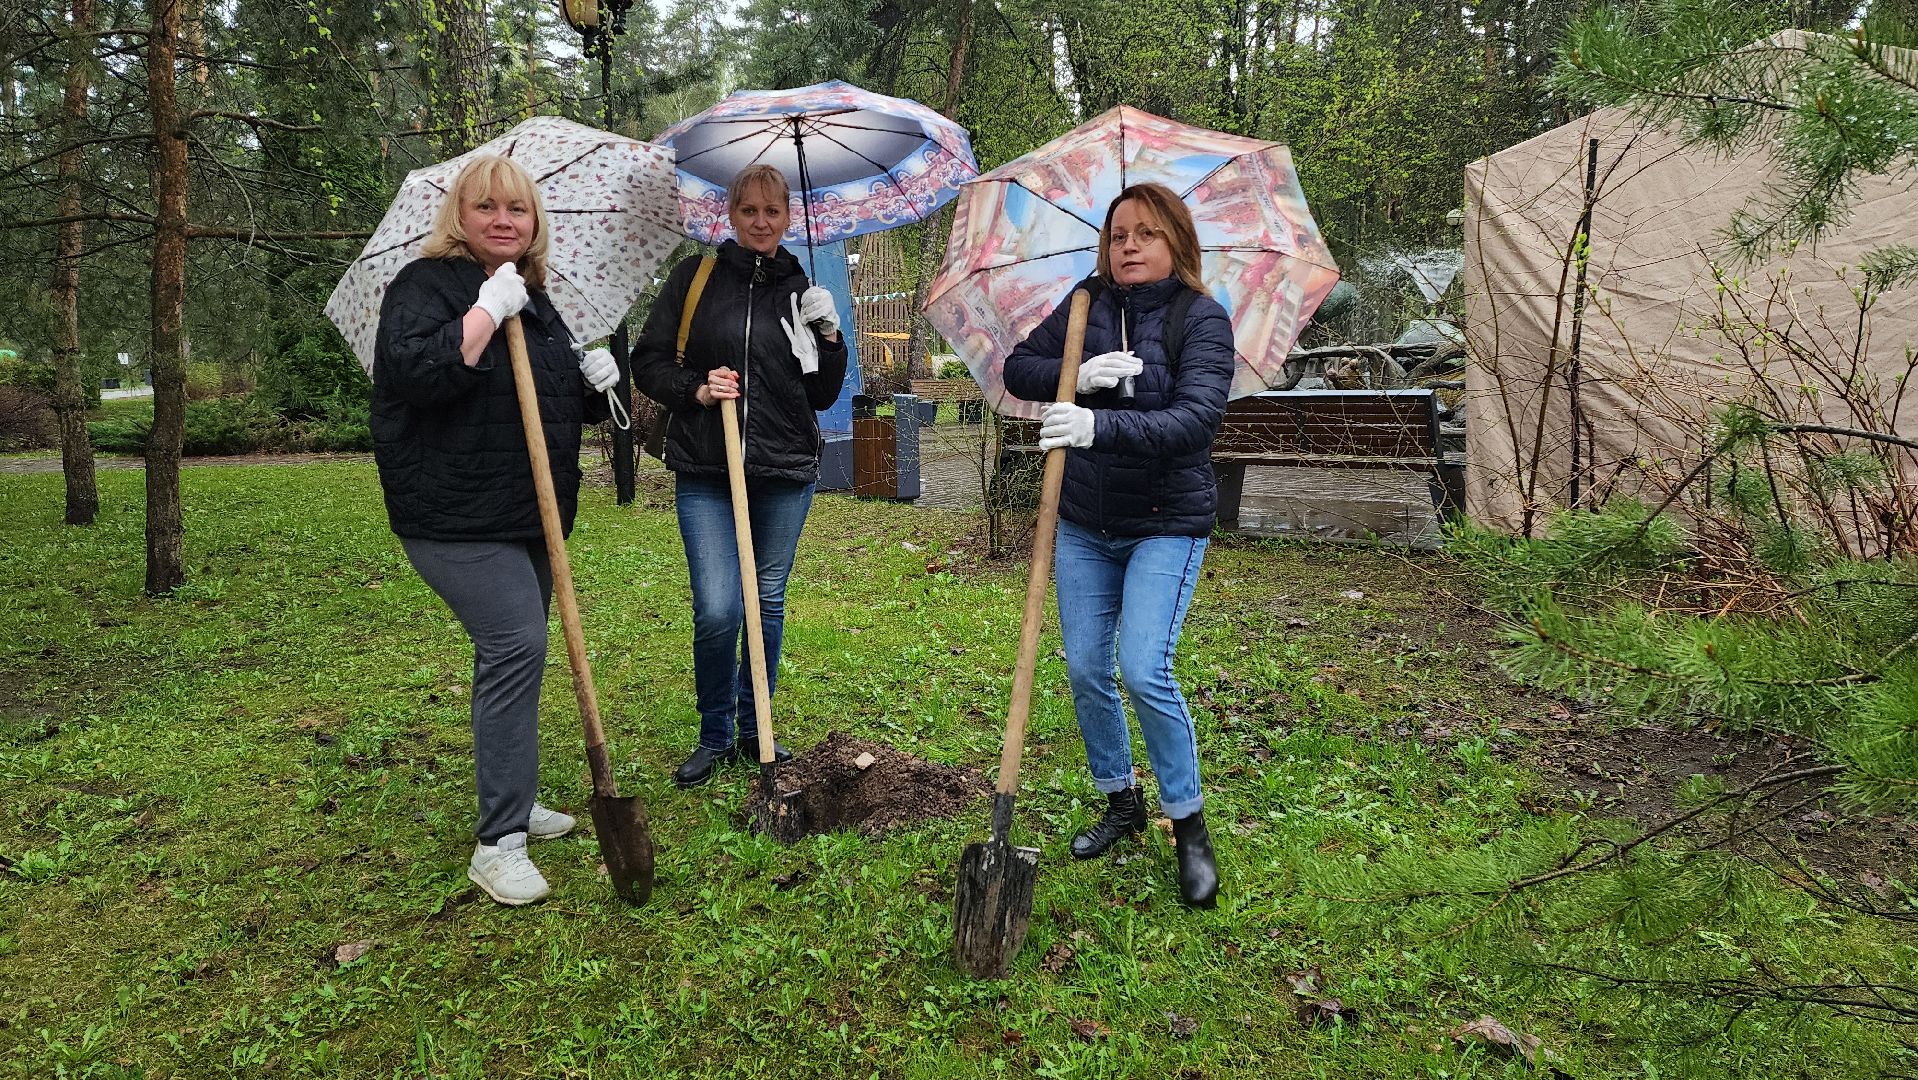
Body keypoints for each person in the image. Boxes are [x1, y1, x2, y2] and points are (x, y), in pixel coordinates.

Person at [371, 155, 622, 906]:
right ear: (460, 216)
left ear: (534, 220)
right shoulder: (426, 286)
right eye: (486, 208)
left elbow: (541, 407)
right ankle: (497, 843)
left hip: (522, 512)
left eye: (516, 209)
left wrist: (593, 382)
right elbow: (416, 374)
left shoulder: (538, 300)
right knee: (516, 644)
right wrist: (485, 309)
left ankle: (512, 796)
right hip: (450, 512)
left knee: (510, 658)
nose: (503, 220)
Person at [1001, 182, 1235, 909]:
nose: (1127, 247)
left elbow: (1195, 422)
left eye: (1145, 234)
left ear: (1177, 243)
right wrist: (1079, 376)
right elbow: (1017, 369)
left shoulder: (1202, 320)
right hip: (1084, 522)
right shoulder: (1084, 304)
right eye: (1117, 235)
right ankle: (1119, 799)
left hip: (1166, 521)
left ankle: (1188, 823)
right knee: (1084, 671)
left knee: (1142, 668)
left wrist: (1096, 424)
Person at [633, 164, 850, 788]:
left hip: (783, 467)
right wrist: (696, 388)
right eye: (750, 210)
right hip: (706, 463)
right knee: (718, 606)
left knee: (768, 602)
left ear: (788, 217)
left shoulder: (802, 289)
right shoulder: (695, 279)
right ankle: (715, 733)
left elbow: (824, 391)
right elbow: (646, 362)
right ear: (731, 214)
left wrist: (830, 336)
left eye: (773, 212)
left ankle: (758, 729)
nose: (761, 222)